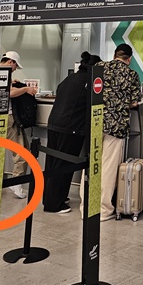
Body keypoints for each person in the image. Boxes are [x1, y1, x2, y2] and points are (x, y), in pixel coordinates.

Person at [82, 43, 142, 221]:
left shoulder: (99, 66)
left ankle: (86, 206)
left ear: (115, 55)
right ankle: (103, 209)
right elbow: (134, 102)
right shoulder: (131, 74)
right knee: (108, 168)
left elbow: (89, 90)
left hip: (94, 122)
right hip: (115, 126)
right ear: (129, 59)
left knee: (91, 164)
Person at [43, 51, 101, 214]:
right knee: (64, 165)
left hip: (54, 123)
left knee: (52, 163)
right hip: (71, 127)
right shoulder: (90, 81)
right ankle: (54, 204)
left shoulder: (69, 78)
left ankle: (50, 198)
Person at [1, 50, 37, 199]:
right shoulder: (4, 73)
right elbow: (9, 94)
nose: (15, 69)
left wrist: (12, 84)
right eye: (16, 66)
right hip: (8, 118)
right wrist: (26, 89)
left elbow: (4, 90)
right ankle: (16, 183)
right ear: (11, 62)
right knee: (22, 151)